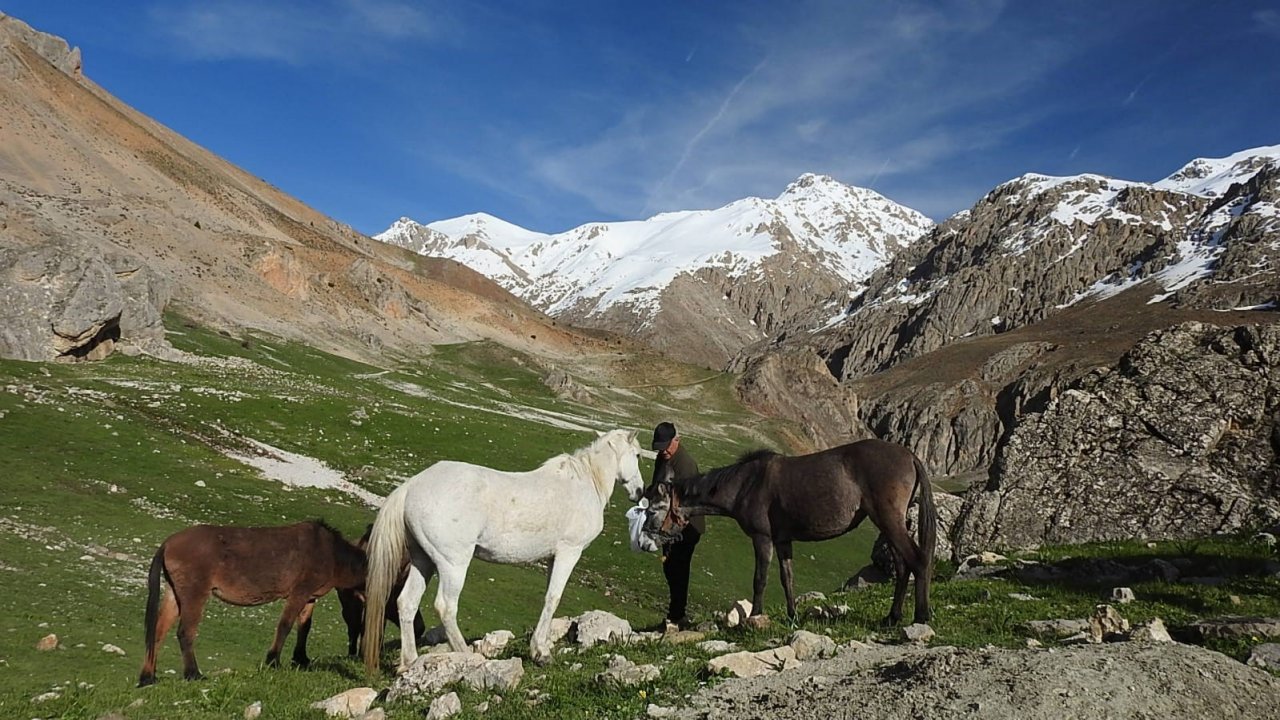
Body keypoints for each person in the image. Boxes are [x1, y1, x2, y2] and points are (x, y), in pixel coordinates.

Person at [650, 421, 703, 629]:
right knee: (670, 567)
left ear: (676, 440)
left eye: (665, 446)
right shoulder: (662, 458)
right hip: (667, 525)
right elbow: (657, 486)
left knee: (679, 569)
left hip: (686, 527)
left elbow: (688, 503)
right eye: (660, 447)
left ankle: (678, 615)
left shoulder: (686, 465)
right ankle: (675, 613)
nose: (662, 451)